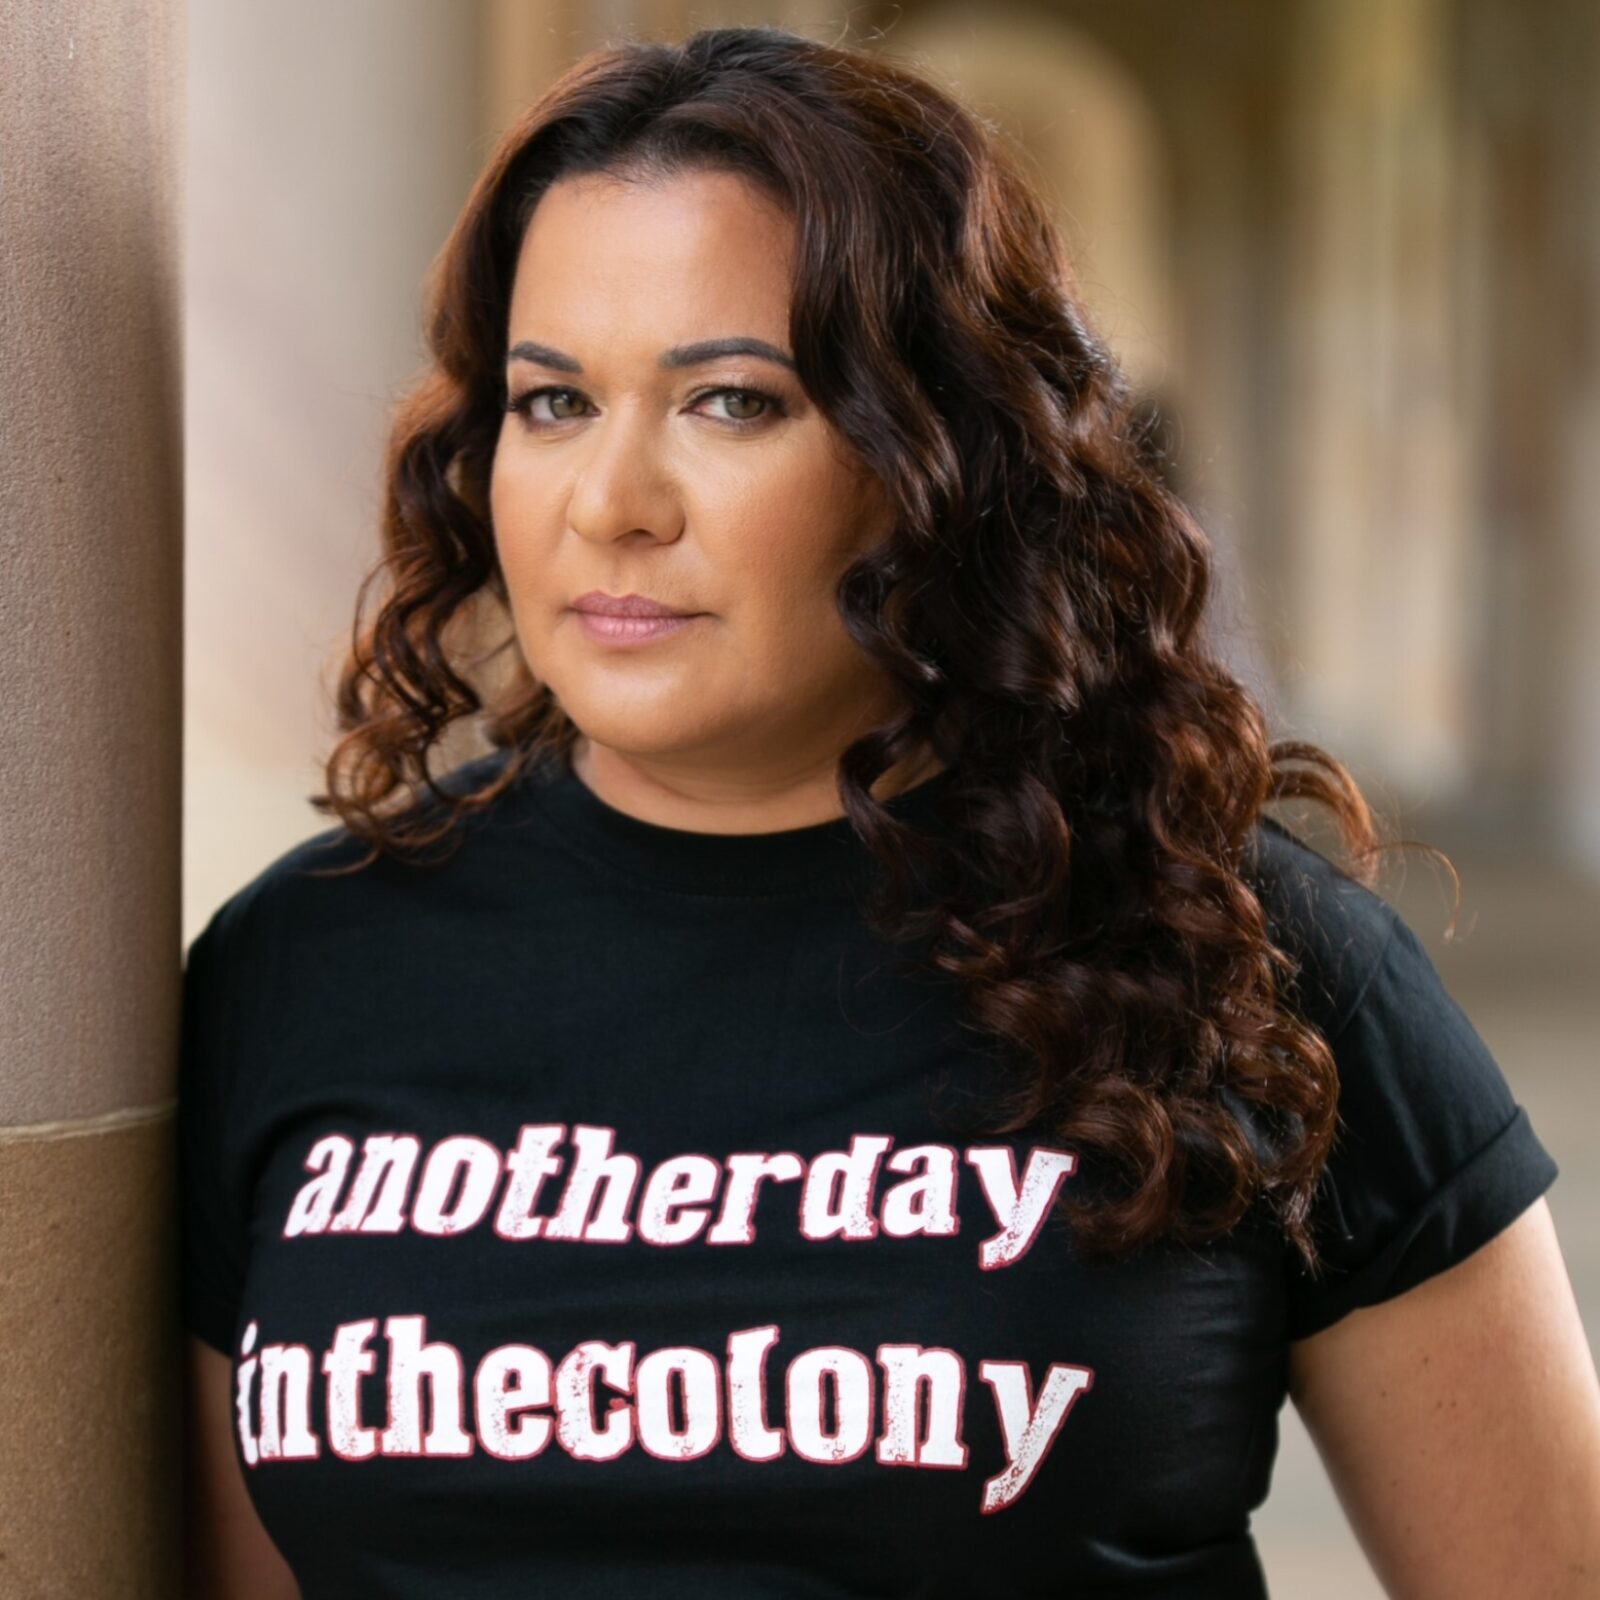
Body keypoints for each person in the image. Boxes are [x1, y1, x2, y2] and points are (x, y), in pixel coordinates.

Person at [176, 24, 1600, 1600]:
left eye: (731, 403)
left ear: (936, 456)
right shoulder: (299, 968)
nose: (612, 503)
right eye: (553, 402)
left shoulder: (1236, 955)